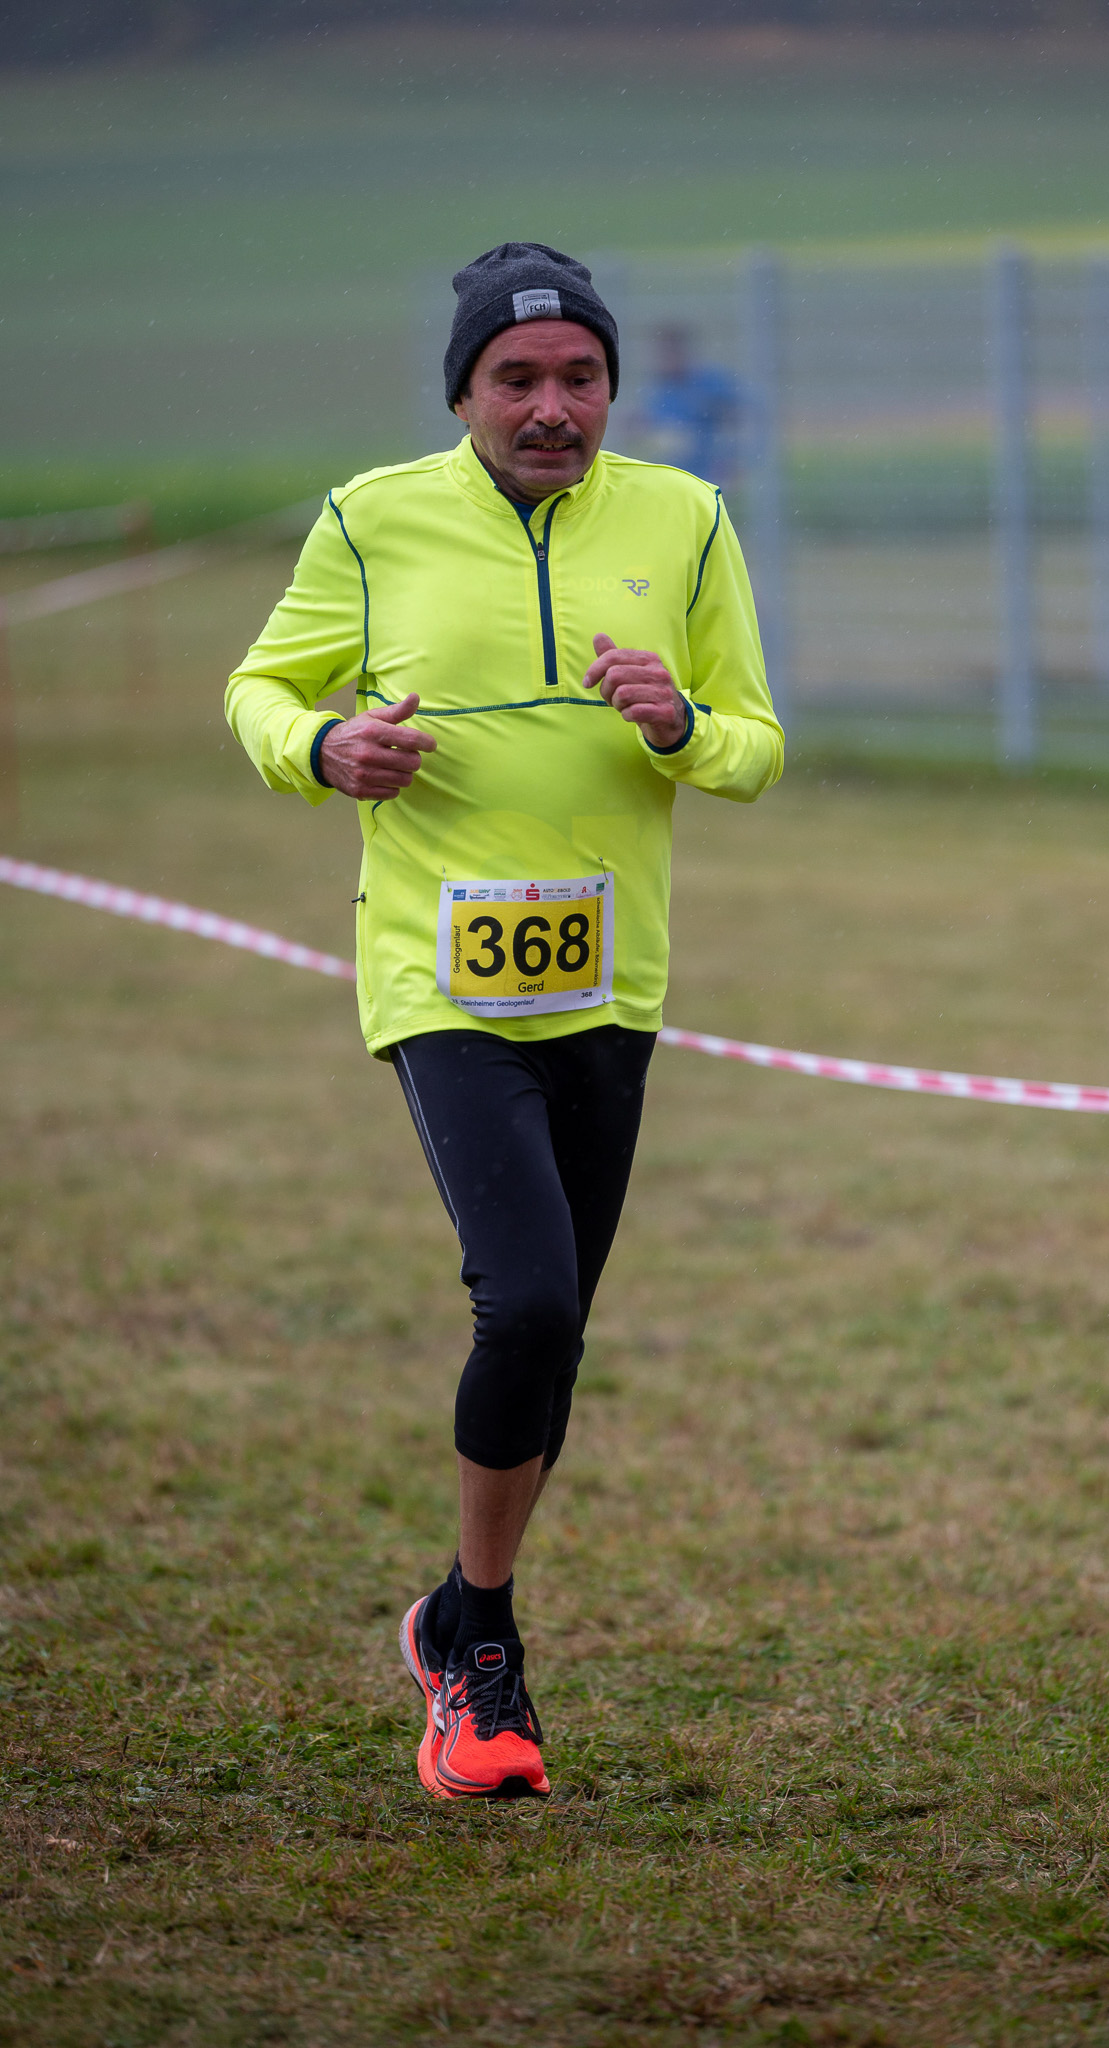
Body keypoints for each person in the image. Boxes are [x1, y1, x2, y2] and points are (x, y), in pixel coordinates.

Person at [225, 243, 783, 1802]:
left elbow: (753, 745)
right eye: (516, 379)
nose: (551, 407)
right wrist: (324, 747)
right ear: (462, 393)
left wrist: (679, 724)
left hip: (610, 982)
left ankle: (454, 1613)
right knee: (523, 1302)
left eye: (579, 378)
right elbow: (261, 689)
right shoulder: (371, 517)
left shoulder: (685, 518)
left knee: (558, 1341)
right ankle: (488, 1656)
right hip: (441, 976)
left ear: (610, 389)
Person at [633, 324, 744, 491]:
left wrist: (731, 459)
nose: (663, 360)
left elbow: (738, 418)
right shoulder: (658, 390)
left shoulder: (710, 382)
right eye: (660, 354)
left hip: (711, 476)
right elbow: (653, 430)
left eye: (668, 353)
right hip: (673, 479)